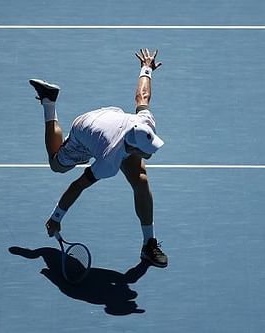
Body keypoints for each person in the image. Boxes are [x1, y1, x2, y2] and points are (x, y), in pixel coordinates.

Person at [29, 48, 168, 268]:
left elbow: (142, 96)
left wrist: (146, 68)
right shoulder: (108, 161)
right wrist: (56, 218)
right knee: (57, 164)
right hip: (85, 131)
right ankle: (49, 102)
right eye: (145, 151)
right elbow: (77, 185)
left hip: (112, 119)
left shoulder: (145, 123)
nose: (149, 153)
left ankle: (148, 244)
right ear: (133, 147)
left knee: (140, 179)